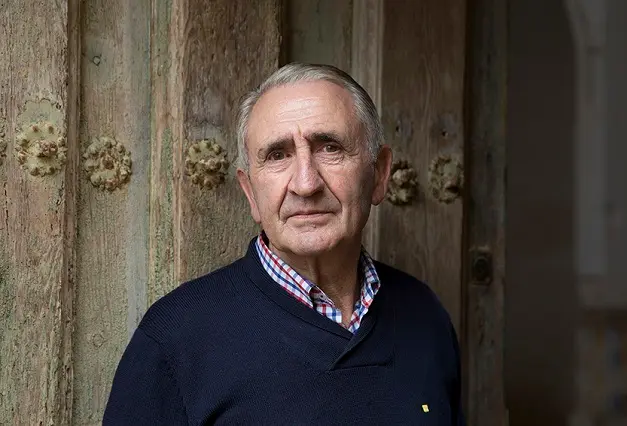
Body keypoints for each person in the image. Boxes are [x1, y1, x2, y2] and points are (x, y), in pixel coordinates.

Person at [103, 63, 465, 425]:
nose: (306, 184)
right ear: (250, 192)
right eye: (277, 155)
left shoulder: (425, 315)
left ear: (380, 174)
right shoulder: (176, 338)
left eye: (330, 148)